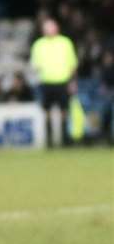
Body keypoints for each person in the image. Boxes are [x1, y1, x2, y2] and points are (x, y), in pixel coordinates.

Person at [29, 16, 77, 147]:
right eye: (46, 28)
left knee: (64, 111)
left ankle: (65, 140)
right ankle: (49, 141)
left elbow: (72, 64)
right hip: (46, 82)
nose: (48, 30)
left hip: (63, 81)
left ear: (57, 28)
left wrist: (72, 81)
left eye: (51, 27)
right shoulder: (39, 44)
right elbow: (34, 65)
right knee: (47, 112)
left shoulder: (65, 42)